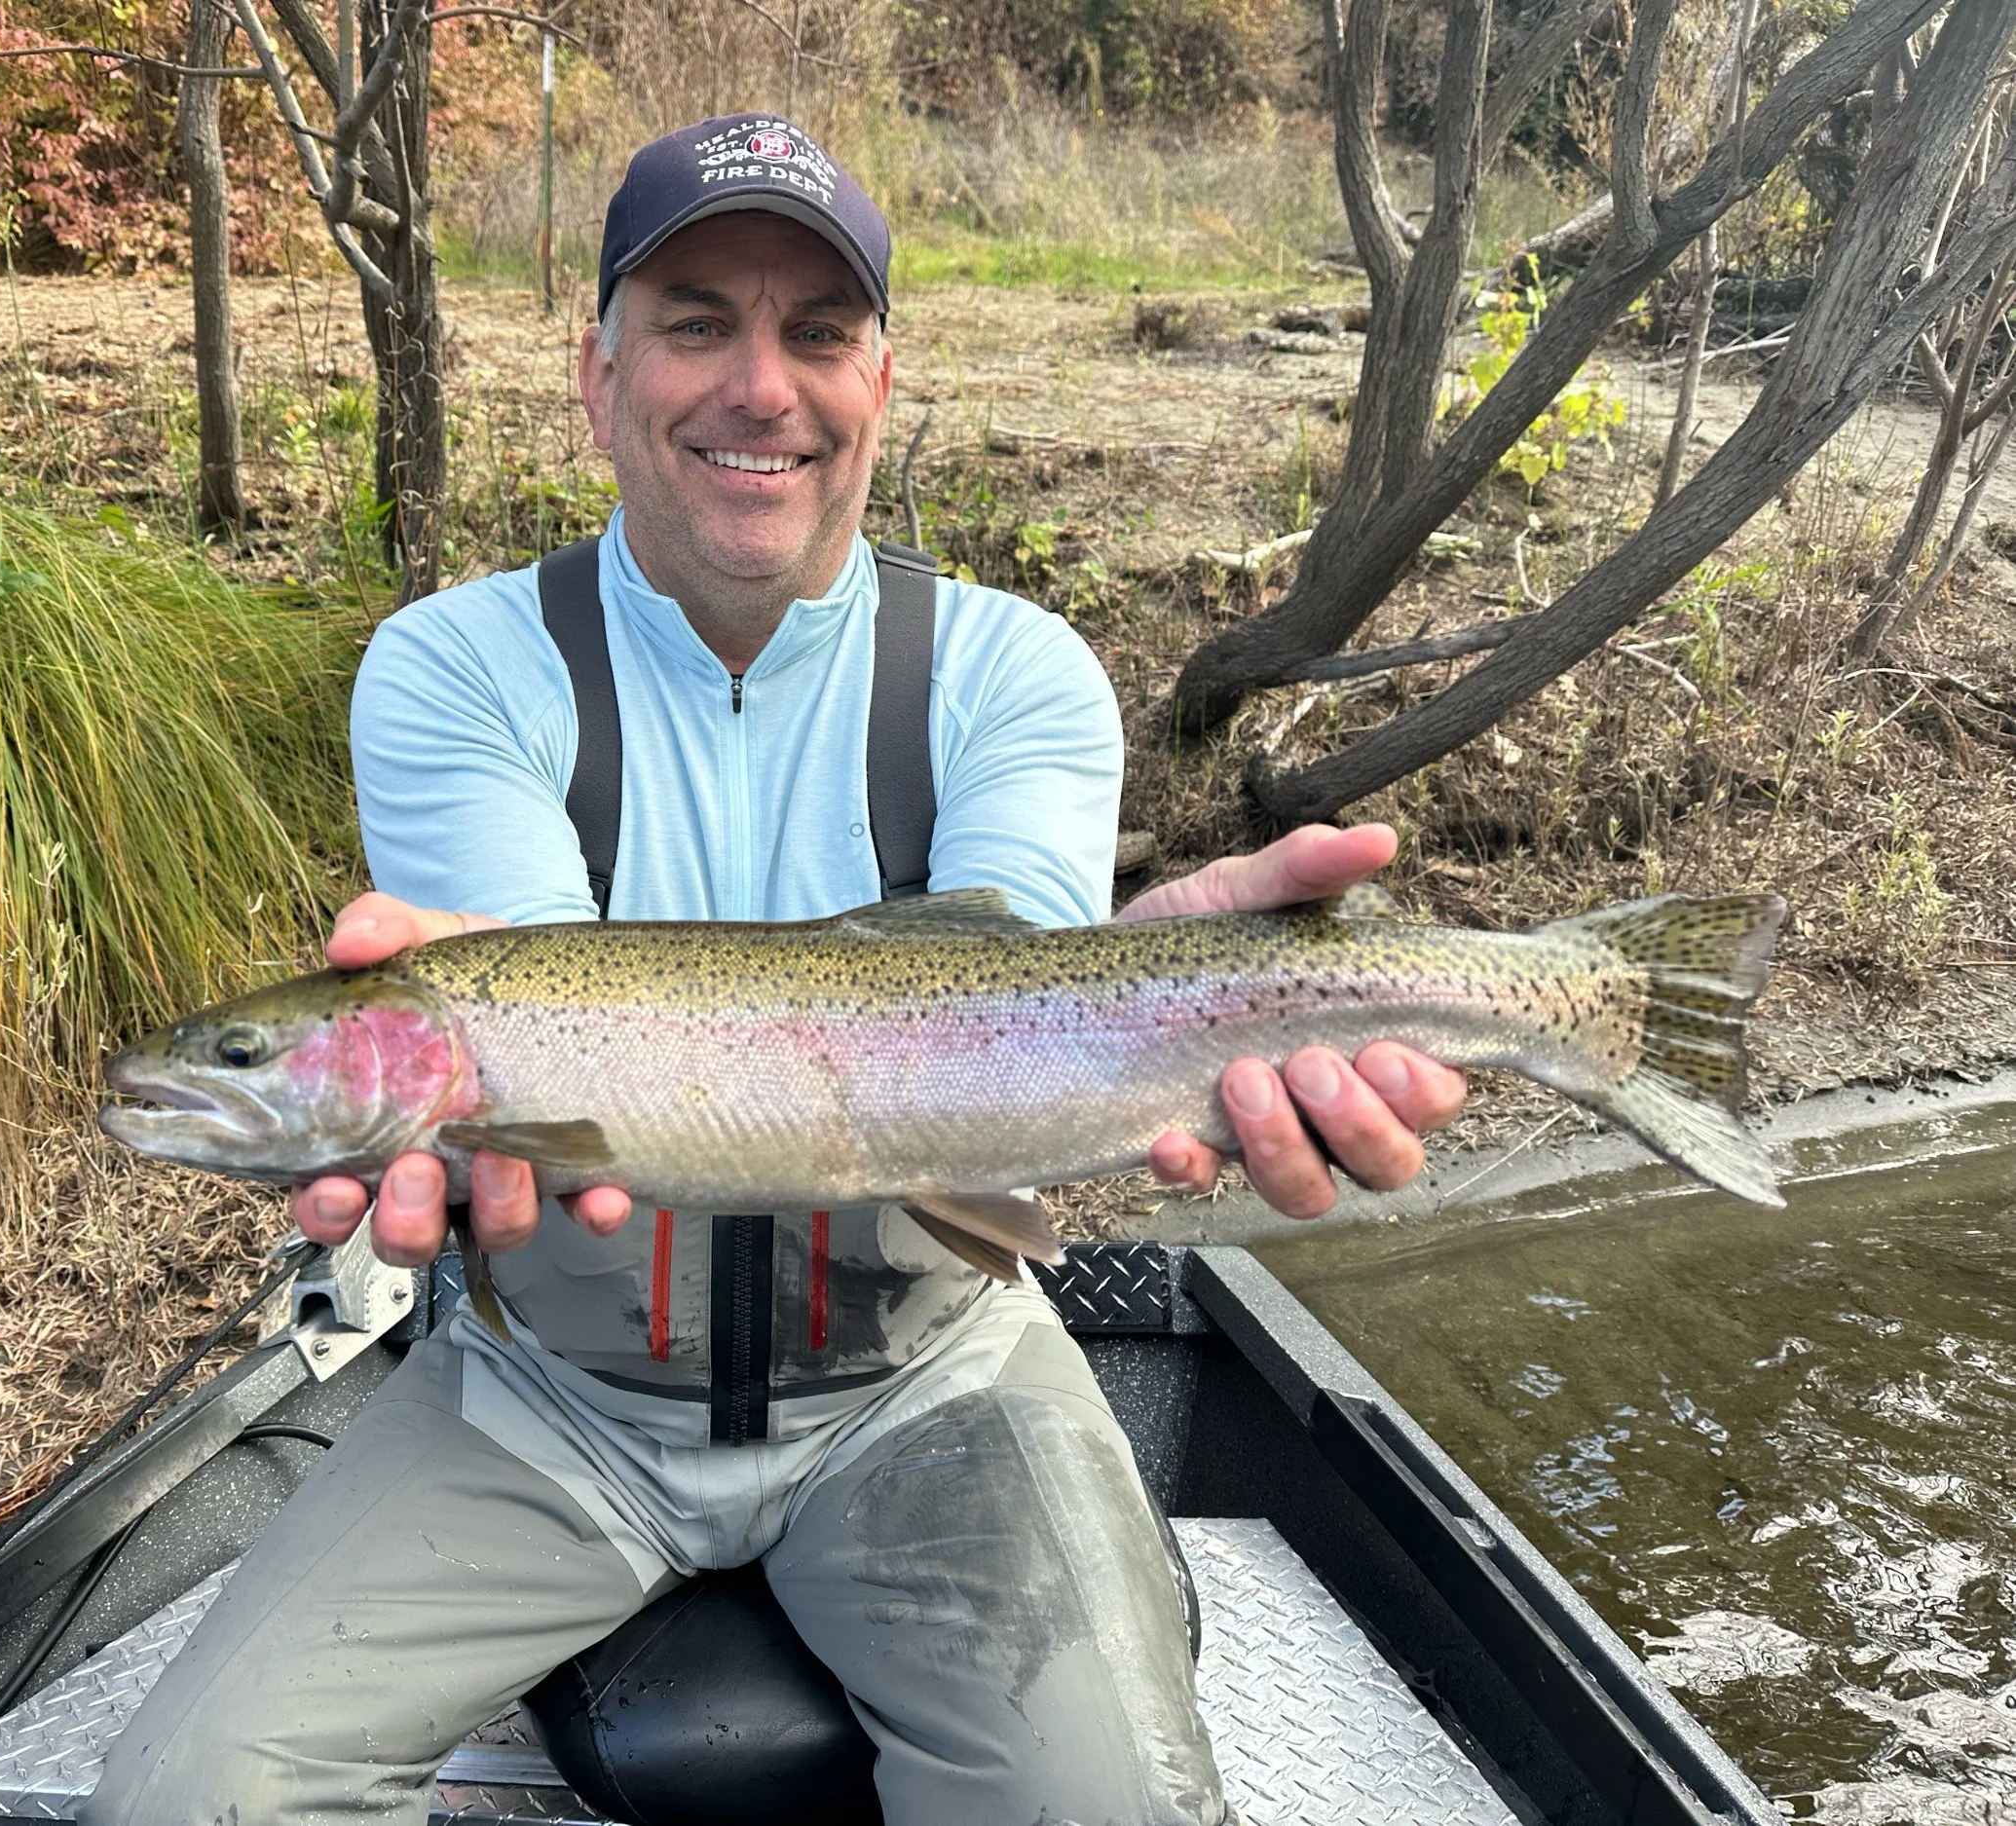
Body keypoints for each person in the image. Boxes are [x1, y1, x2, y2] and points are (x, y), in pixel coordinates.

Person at [81, 114, 1462, 1826]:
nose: (761, 385)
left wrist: (1182, 994)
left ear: (884, 380)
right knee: (181, 1802)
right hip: (546, 1394)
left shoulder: (1016, 674)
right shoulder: (452, 667)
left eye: (818, 331)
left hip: (931, 1376)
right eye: (695, 322)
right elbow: (537, 995)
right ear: (599, 376)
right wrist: (460, 1062)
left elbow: (1012, 1008)